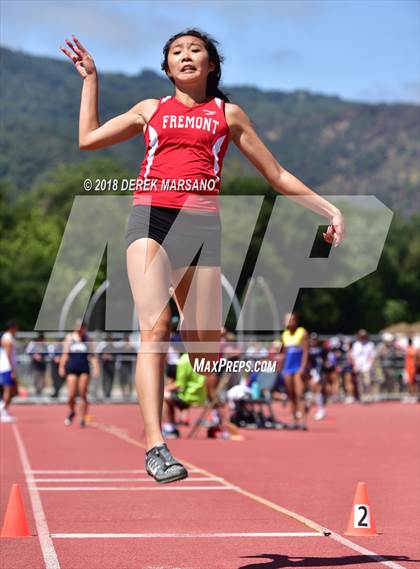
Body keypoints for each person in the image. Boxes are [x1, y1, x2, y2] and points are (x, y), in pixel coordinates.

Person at [60, 29, 345, 482]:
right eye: (177, 52)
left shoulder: (228, 115)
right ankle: (156, 445)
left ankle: (203, 388)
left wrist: (329, 208)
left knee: (204, 349)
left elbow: (276, 173)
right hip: (150, 222)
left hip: (200, 231)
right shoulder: (149, 110)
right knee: (154, 328)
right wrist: (91, 79)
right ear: (168, 67)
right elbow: (88, 138)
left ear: (212, 65)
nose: (186, 56)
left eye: (196, 50)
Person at [59, 319, 100, 427]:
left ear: (84, 327)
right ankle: (72, 411)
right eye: (78, 326)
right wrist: (61, 366)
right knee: (71, 395)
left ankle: (82, 417)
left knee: (83, 393)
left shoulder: (87, 339)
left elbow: (92, 355)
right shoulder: (69, 338)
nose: (79, 328)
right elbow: (65, 354)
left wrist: (96, 367)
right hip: (72, 368)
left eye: (82, 326)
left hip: (84, 369)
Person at [162, 351, 207, 438]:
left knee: (163, 396)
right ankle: (177, 421)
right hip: (201, 397)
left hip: (188, 397)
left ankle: (170, 428)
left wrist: (163, 389)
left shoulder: (184, 360)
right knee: (170, 396)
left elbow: (179, 384)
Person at [280, 312, 309, 430]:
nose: (289, 322)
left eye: (291, 320)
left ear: (296, 321)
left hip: (298, 367)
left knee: (299, 394)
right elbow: (283, 353)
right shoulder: (285, 335)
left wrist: (303, 367)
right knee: (291, 395)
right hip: (288, 367)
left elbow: (305, 351)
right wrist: (280, 368)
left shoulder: (302, 332)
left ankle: (303, 421)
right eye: (287, 320)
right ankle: (294, 420)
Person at [0, 320, 19, 423]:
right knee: (9, 390)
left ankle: (3, 408)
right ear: (12, 327)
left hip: (7, 367)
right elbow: (8, 355)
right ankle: (3, 412)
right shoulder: (8, 338)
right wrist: (12, 369)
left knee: (13, 390)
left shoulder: (8, 337)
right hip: (7, 368)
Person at [351, 329, 376, 403]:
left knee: (367, 382)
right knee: (360, 382)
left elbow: (372, 355)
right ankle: (362, 397)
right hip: (358, 366)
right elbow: (354, 356)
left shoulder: (370, 344)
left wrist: (370, 365)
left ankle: (368, 395)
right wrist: (355, 365)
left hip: (367, 366)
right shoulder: (356, 344)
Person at [26, 332, 48, 397]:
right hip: (35, 364)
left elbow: (47, 353)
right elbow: (28, 352)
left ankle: (40, 391)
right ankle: (37, 391)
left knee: (42, 378)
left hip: (42, 364)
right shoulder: (33, 344)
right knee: (36, 377)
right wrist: (34, 356)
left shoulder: (44, 345)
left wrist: (42, 356)